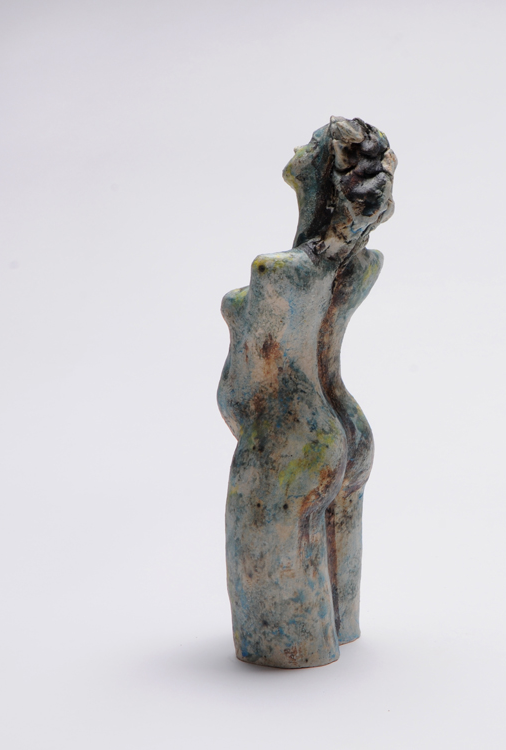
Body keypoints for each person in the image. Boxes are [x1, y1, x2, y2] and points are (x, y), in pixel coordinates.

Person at [218, 117, 396, 667]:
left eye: (312, 144)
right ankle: (338, 632)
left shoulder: (277, 273)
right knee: (335, 612)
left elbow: (252, 377)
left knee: (280, 635)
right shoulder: (362, 265)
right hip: (346, 423)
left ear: (319, 173)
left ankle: (298, 661)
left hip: (289, 440)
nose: (299, 147)